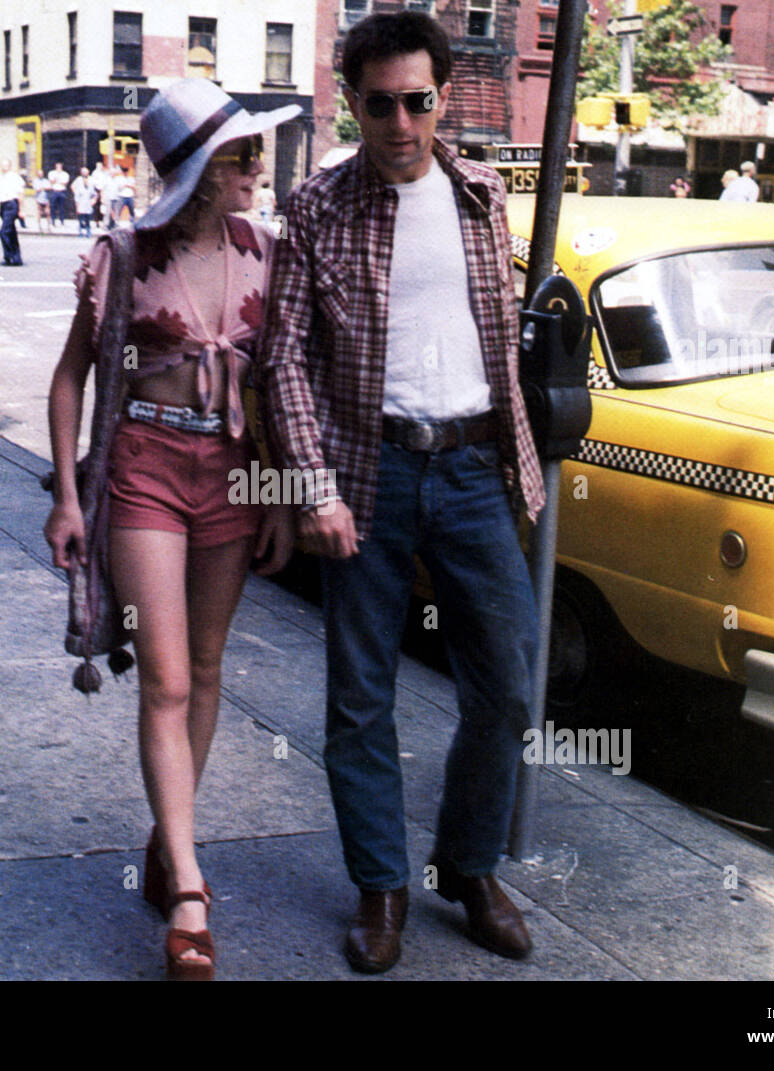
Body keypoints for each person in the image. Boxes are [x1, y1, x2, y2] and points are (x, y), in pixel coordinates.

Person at [259, 10, 543, 974]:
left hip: (470, 469)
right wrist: (315, 486)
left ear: (443, 97)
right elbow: (283, 360)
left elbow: (498, 344)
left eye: (418, 102)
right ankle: (381, 887)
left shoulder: (480, 194)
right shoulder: (316, 210)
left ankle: (466, 867)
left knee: (508, 683)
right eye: (379, 104)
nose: (401, 123)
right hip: (366, 470)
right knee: (360, 695)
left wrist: (517, 463)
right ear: (354, 102)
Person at [44, 77, 298, 981]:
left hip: (230, 474)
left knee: (210, 663)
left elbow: (273, 388)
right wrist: (70, 497)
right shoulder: (124, 255)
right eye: (241, 156)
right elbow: (71, 375)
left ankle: (167, 839)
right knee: (165, 676)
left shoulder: (267, 254)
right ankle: (189, 886)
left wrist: (272, 493)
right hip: (146, 470)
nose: (258, 169)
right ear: (198, 168)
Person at [0, 158, 24, 265]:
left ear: (10, 166)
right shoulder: (0, 178)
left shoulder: (14, 177)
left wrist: (21, 210)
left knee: (3, 231)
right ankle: (16, 258)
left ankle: (9, 255)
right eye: (2, 165)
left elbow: (20, 194)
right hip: (3, 205)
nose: (4, 167)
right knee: (11, 232)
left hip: (12, 205)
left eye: (6, 165)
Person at [72, 166, 95, 237]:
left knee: (88, 218)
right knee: (81, 218)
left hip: (88, 202)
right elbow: (72, 187)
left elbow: (94, 193)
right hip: (81, 202)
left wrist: (94, 200)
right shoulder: (78, 180)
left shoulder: (91, 180)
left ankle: (88, 231)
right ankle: (80, 231)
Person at [48, 160, 70, 230]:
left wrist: (57, 180)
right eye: (57, 166)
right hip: (54, 191)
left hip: (62, 191)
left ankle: (62, 220)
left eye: (60, 166)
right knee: (53, 207)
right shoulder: (51, 173)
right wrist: (58, 181)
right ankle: (53, 220)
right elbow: (51, 181)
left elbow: (65, 183)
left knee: (62, 207)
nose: (58, 168)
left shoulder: (65, 174)